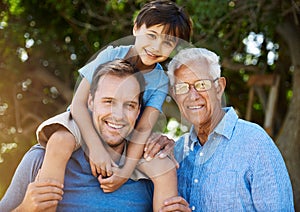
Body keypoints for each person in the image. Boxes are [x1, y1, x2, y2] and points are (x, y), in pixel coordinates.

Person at [34, 0, 192, 211]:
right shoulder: (111, 55)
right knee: (60, 141)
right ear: (136, 28)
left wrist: (125, 171)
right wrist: (95, 148)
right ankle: (44, 204)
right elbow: (79, 105)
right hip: (86, 121)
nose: (156, 47)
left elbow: (144, 127)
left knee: (164, 165)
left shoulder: (160, 80)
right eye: (152, 35)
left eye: (168, 43)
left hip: (126, 130)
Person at [0, 59, 175, 211]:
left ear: (138, 112)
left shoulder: (149, 173)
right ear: (90, 102)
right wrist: (24, 209)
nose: (118, 115)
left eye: (129, 105)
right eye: (108, 102)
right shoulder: (41, 160)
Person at [145, 47, 294, 211]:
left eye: (201, 84)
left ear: (219, 87)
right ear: (174, 94)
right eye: (182, 87)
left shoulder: (255, 144)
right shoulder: (177, 153)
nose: (193, 96)